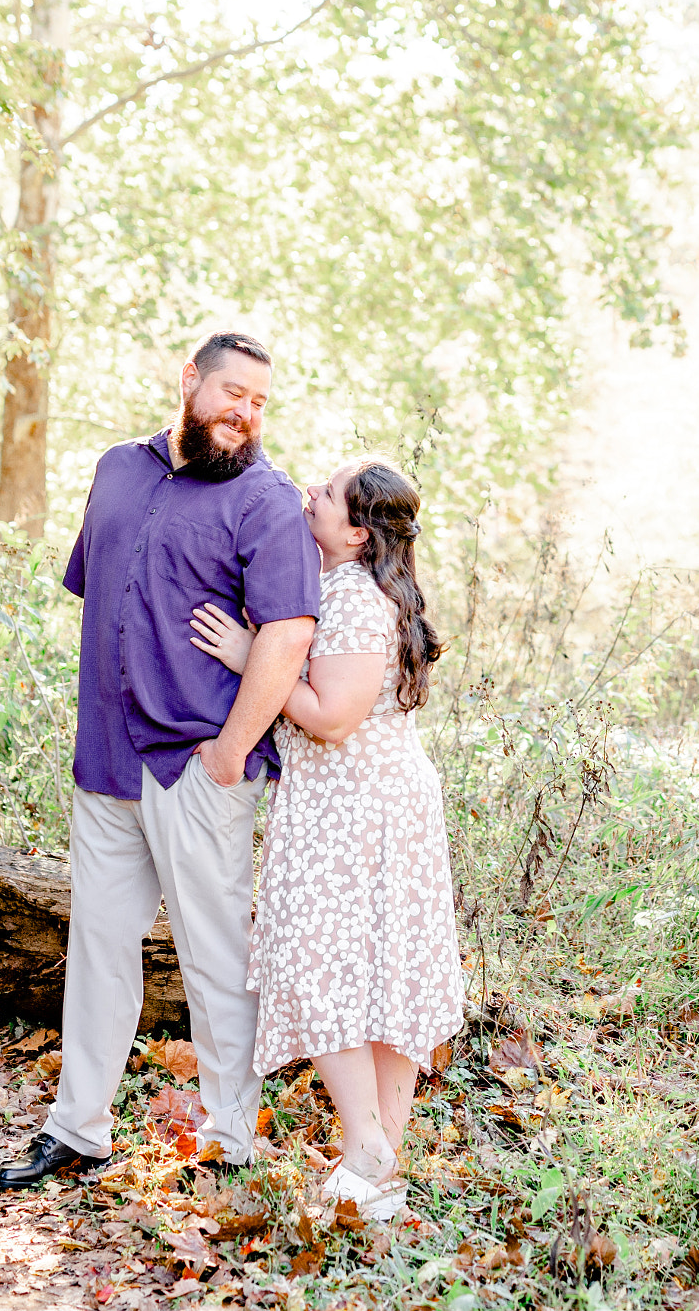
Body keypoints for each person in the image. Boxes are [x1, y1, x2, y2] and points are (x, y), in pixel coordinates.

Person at [0, 331, 320, 1190]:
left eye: (259, 401)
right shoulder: (116, 470)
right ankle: (79, 1129)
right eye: (232, 393)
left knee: (214, 956)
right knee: (99, 946)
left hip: (199, 766)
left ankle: (231, 1140)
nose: (245, 414)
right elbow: (99, 593)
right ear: (190, 382)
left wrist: (230, 750)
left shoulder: (269, 499)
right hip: (104, 761)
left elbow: (288, 634)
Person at [189, 456, 463, 1219]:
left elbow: (335, 718)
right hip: (381, 805)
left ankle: (368, 1148)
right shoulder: (375, 589)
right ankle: (378, 1164)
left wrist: (255, 664)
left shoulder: (349, 596)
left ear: (355, 530)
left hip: (353, 810)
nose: (309, 490)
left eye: (327, 491)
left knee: (322, 967)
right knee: (382, 973)